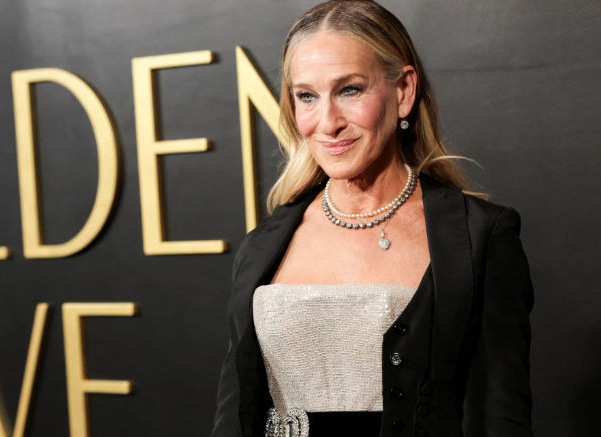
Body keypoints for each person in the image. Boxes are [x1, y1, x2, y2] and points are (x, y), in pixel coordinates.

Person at [210, 1, 534, 436]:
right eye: (307, 96)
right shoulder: (262, 244)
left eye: (350, 90)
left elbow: (500, 417)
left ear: (403, 91)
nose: (328, 123)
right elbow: (234, 414)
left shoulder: (479, 236)